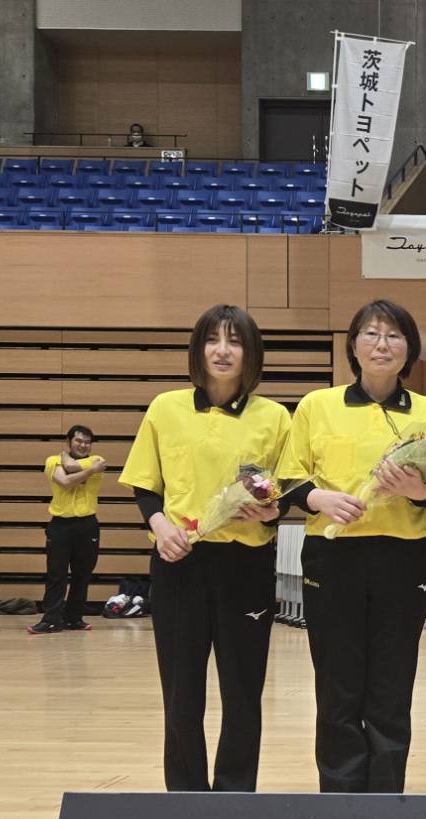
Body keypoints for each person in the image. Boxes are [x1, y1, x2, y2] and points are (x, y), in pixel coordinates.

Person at [281, 300, 426, 794]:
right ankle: (339, 795)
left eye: (394, 336)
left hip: (404, 557)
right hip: (332, 557)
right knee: (336, 682)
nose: (382, 344)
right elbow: (290, 477)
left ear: (410, 349)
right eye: (371, 334)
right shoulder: (317, 405)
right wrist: (319, 498)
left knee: (392, 682)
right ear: (353, 346)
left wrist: (416, 489)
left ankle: (384, 794)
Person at [119, 305, 291, 792]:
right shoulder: (165, 408)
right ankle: (185, 795)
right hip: (179, 562)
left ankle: (236, 796)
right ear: (198, 349)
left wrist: (270, 512)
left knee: (243, 691)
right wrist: (160, 526)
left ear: (251, 353)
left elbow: (286, 492)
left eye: (235, 341)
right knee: (181, 691)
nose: (223, 350)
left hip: (246, 565)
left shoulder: (275, 417)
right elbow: (145, 485)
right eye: (213, 339)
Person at [30, 425, 107, 634]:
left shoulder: (97, 459)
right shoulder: (52, 461)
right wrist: (90, 471)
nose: (83, 445)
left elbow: (71, 468)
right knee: (56, 573)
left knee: (82, 574)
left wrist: (74, 463)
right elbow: (64, 482)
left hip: (87, 524)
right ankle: (51, 620)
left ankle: (73, 618)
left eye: (87, 442)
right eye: (78, 441)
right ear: (69, 441)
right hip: (60, 525)